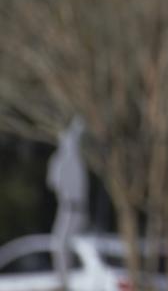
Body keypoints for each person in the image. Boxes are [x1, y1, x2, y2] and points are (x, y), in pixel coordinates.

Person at [47, 116, 89, 289]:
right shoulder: (62, 160)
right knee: (59, 245)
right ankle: (64, 280)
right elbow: (53, 182)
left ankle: (69, 280)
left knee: (69, 245)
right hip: (67, 208)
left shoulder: (76, 163)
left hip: (76, 210)